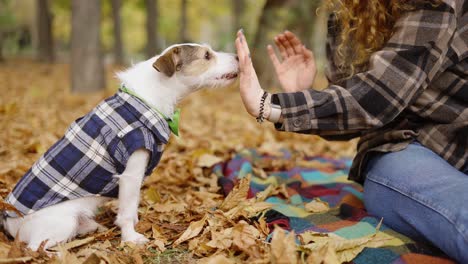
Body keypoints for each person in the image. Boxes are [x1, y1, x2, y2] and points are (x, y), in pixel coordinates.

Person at [235, 0, 468, 262]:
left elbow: (376, 98)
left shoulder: (434, 4)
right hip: (402, 147)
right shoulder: (344, 10)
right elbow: (357, 115)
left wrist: (270, 105)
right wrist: (304, 95)